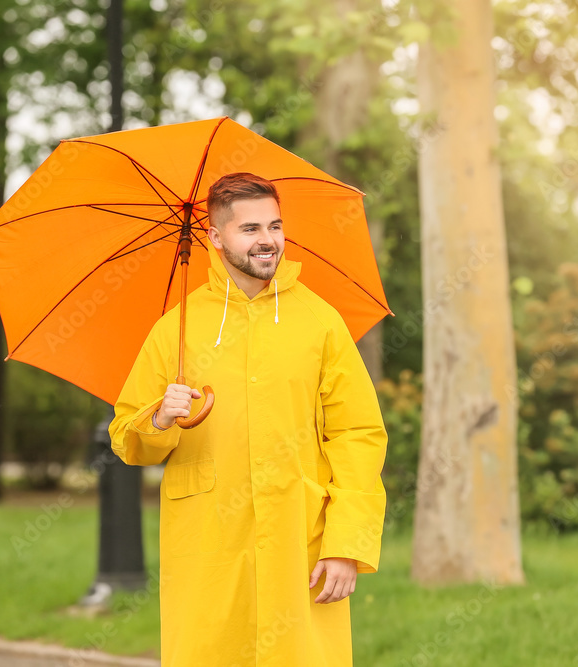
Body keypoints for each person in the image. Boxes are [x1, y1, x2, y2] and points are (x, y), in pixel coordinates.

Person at [108, 172, 388, 666]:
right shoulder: (178, 327)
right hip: (208, 545)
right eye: (251, 229)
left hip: (299, 542)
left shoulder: (320, 322)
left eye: (276, 227)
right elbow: (128, 438)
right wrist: (160, 419)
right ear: (215, 238)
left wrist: (345, 542)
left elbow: (357, 434)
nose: (268, 241)